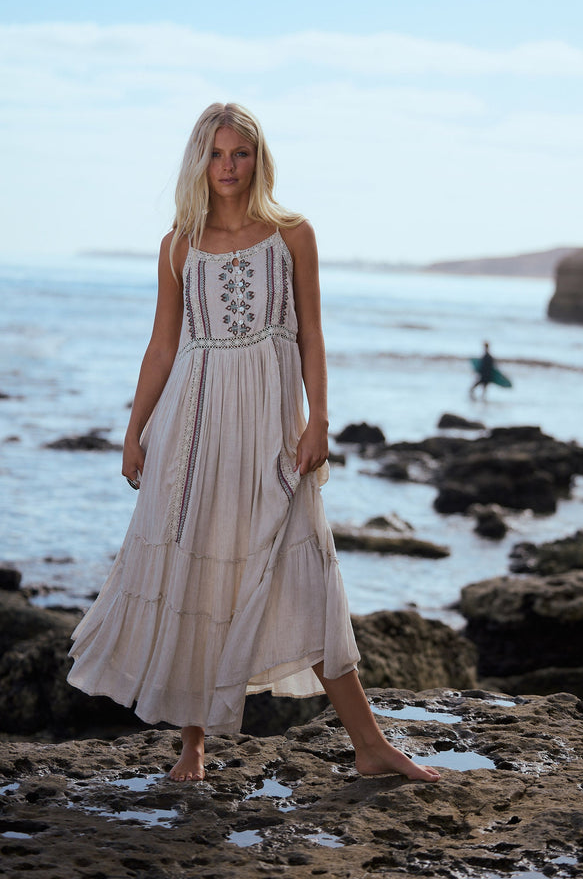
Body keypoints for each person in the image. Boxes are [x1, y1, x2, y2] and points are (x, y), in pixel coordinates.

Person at [67, 102, 439, 785]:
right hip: (195, 423)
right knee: (197, 565)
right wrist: (133, 430)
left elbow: (312, 336)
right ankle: (193, 747)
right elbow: (162, 345)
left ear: (258, 158)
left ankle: (370, 745)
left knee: (308, 574)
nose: (228, 167)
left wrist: (317, 420)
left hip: (271, 426)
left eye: (240, 153)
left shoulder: (291, 234)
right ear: (199, 162)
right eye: (216, 154)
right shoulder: (179, 244)